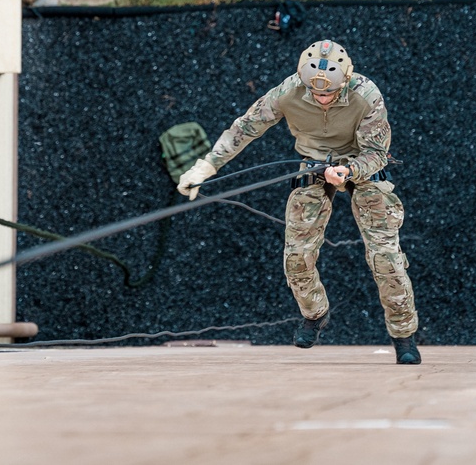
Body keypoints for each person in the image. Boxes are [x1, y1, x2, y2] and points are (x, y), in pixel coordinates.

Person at [178, 40, 421, 364]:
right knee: (297, 256)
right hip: (314, 164)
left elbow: (377, 154)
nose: (322, 98)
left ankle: (403, 336)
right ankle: (315, 313)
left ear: (345, 79)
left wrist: (349, 170)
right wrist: (208, 165)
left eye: (329, 94)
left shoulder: (367, 95)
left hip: (360, 166)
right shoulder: (287, 92)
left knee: (386, 256)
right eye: (315, 93)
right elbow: (247, 126)